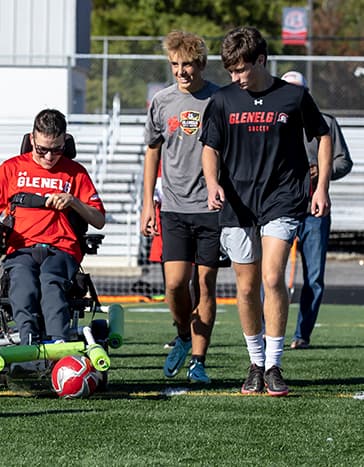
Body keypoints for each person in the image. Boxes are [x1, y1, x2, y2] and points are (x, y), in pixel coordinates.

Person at [200, 27, 332, 396]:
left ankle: (274, 364)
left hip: (283, 198)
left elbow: (323, 135)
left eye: (241, 70)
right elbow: (209, 147)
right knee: (245, 287)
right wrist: (213, 183)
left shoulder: (294, 96)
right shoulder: (223, 100)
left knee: (272, 277)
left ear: (261, 60)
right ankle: (255, 363)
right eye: (230, 71)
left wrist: (320, 187)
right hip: (237, 204)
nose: (235, 78)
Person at [0, 109, 105, 346]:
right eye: (42, 149)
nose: (48, 157)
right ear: (32, 139)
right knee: (24, 285)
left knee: (51, 282)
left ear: (65, 141)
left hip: (61, 247)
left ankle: (58, 342)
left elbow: (99, 219)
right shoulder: (11, 168)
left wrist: (73, 201)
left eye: (56, 149)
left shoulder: (75, 172)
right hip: (21, 248)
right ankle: (28, 340)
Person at [141, 31, 220, 384]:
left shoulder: (220, 98)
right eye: (174, 64)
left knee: (205, 284)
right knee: (175, 285)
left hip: (211, 209)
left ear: (200, 63)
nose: (180, 71)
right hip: (172, 207)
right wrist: (147, 205)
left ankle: (199, 361)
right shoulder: (161, 101)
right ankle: (183, 337)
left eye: (186, 64)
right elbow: (152, 151)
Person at [280, 70, 353, 350]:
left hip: (315, 210)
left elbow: (343, 162)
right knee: (271, 274)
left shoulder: (326, 123)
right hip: (281, 207)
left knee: (313, 277)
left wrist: (319, 172)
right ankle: (265, 330)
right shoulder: (275, 122)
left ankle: (302, 334)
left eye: (298, 90)